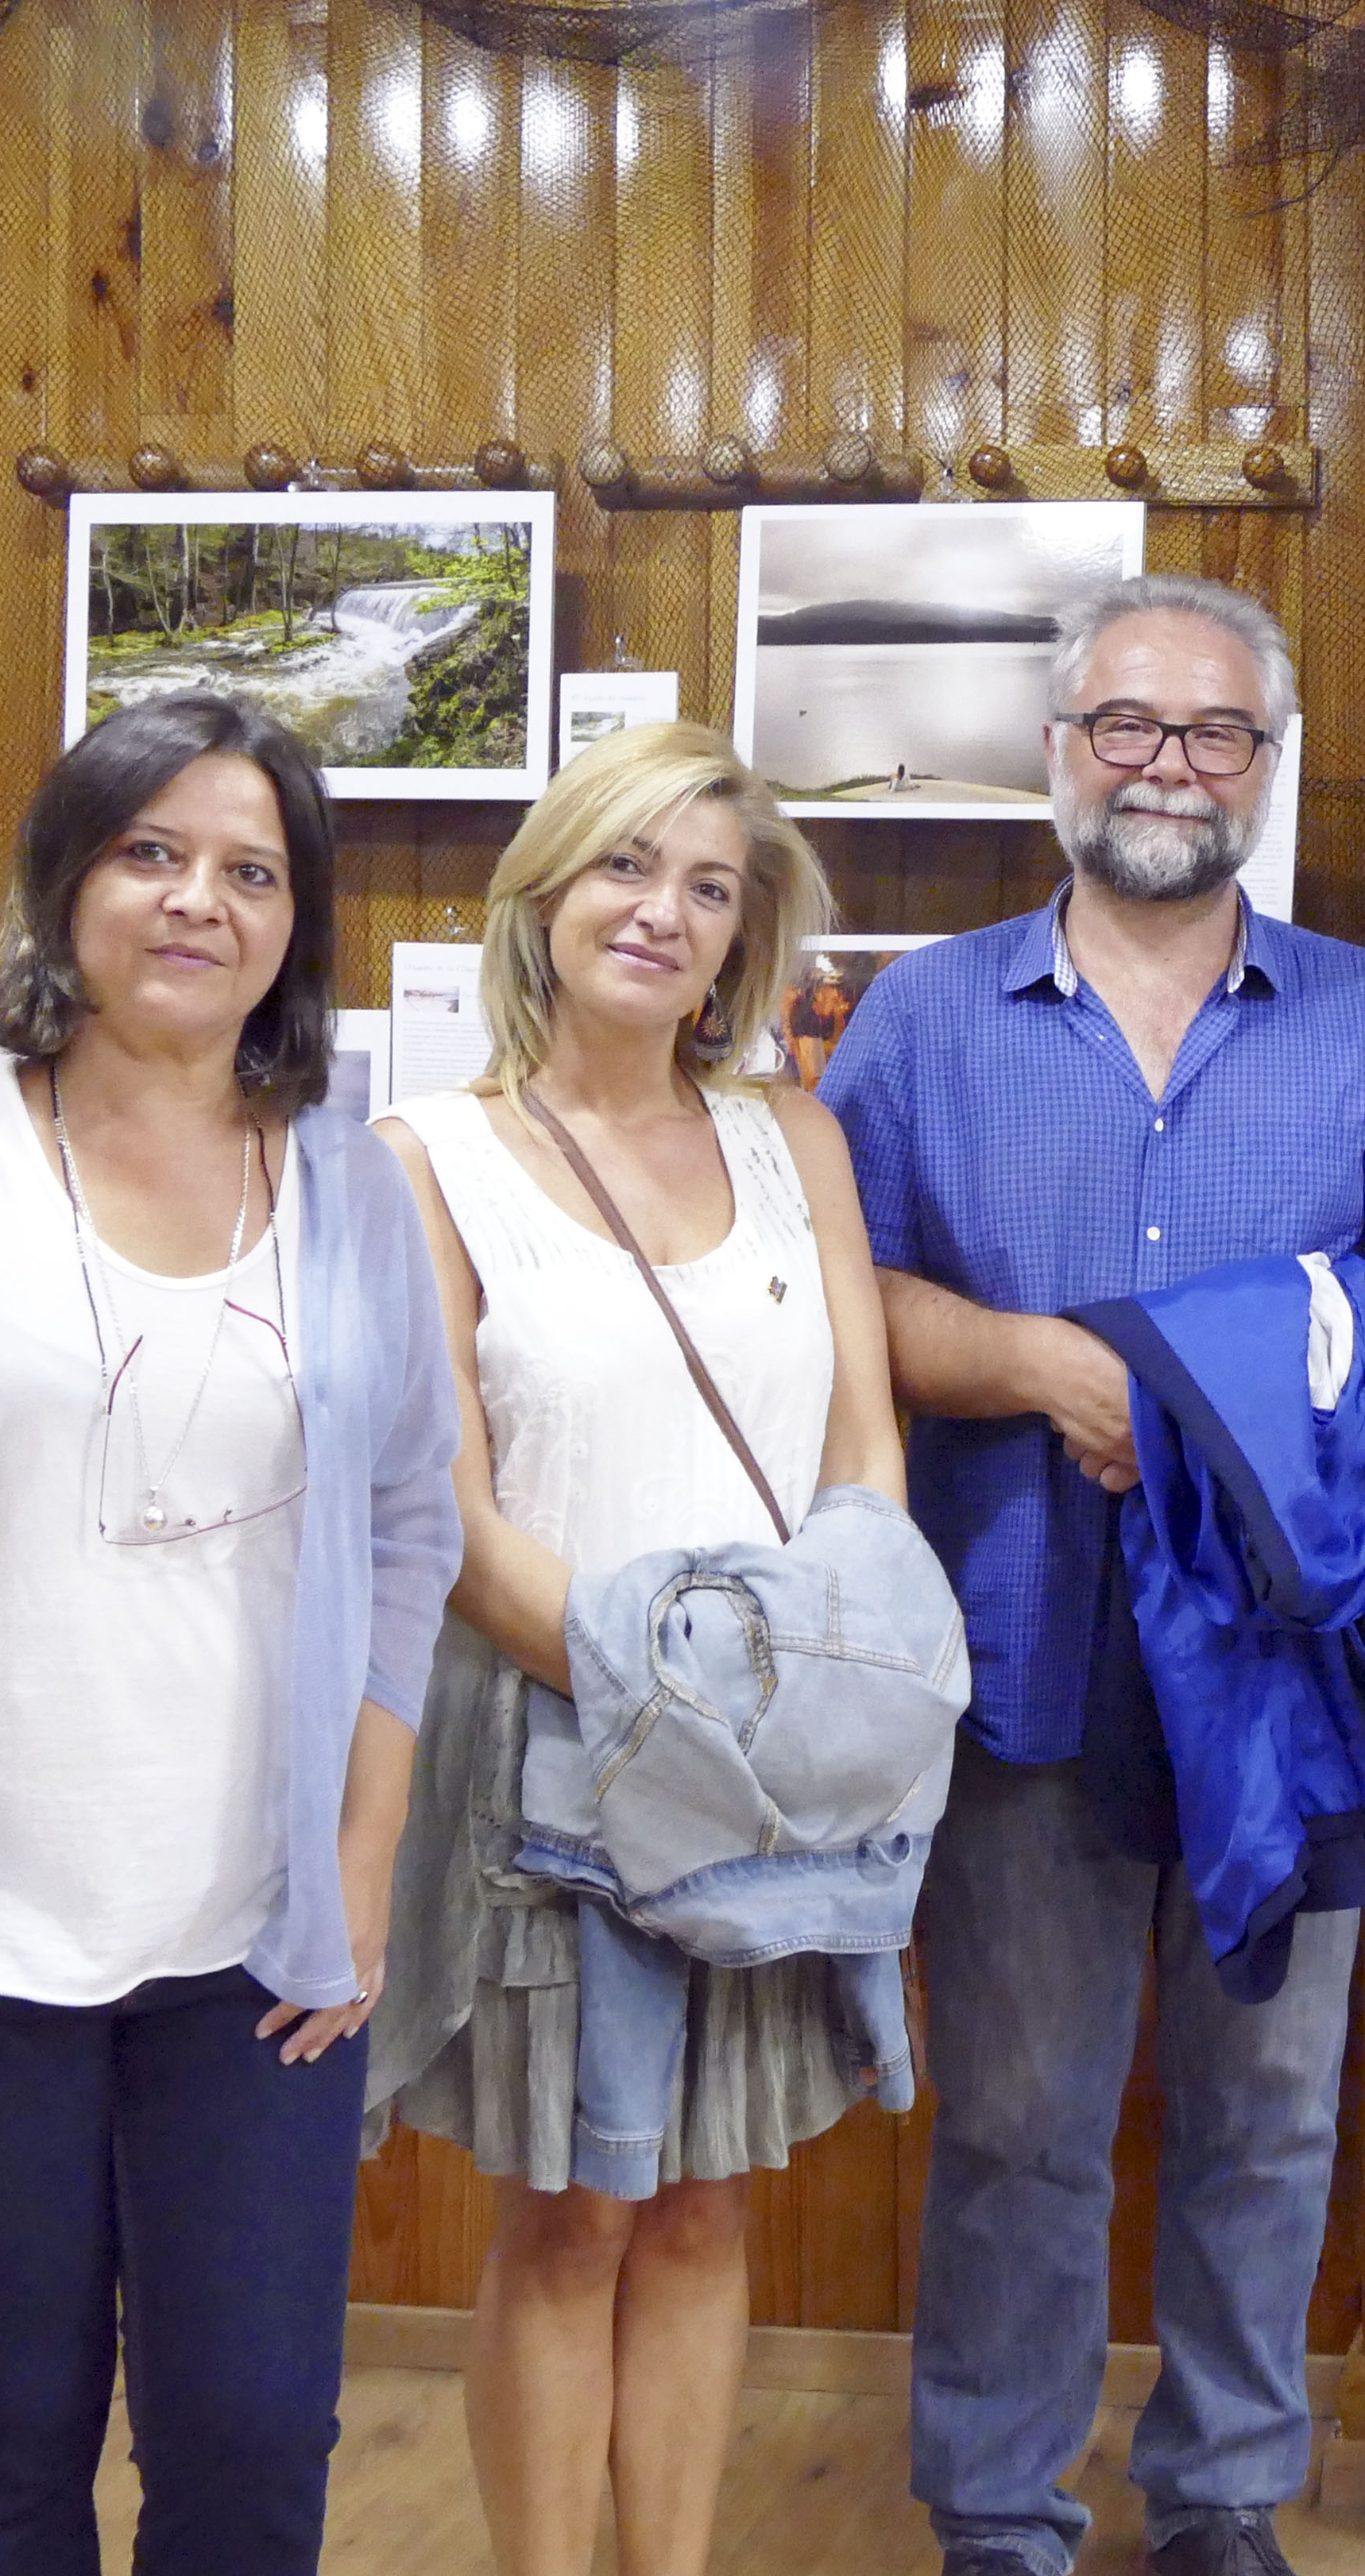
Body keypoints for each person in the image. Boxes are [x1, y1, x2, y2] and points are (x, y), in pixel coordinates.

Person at [824, 571, 1365, 2576]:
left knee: (1268, 2118)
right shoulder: (924, 1018)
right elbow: (846, 1298)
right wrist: (1051, 1371)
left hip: (1290, 1668)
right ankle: (999, 2514)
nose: (1167, 767)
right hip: (1015, 1645)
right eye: (1126, 724)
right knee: (1018, 2121)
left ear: (1264, 769)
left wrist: (1187, 1391)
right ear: (1058, 751)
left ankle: (1220, 2503)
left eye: (1214, 733)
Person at [0, 693, 461, 2572]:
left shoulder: (347, 1179)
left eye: (252, 871)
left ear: (296, 922)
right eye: (150, 853)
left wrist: (361, 1854)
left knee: (252, 2440)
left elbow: (409, 1521)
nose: (199, 901)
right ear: (64, 882)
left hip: (249, 1942)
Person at [368, 720, 910, 2576]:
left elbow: (863, 1445)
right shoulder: (427, 1155)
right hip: (553, 1761)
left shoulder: (793, 1138)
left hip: (777, 1764)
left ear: (744, 935)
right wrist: (656, 1709)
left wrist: (811, 1691)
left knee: (698, 2206)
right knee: (575, 2214)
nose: (661, 913)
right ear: (544, 892)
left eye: (708, 886)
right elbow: (453, 1519)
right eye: (625, 865)